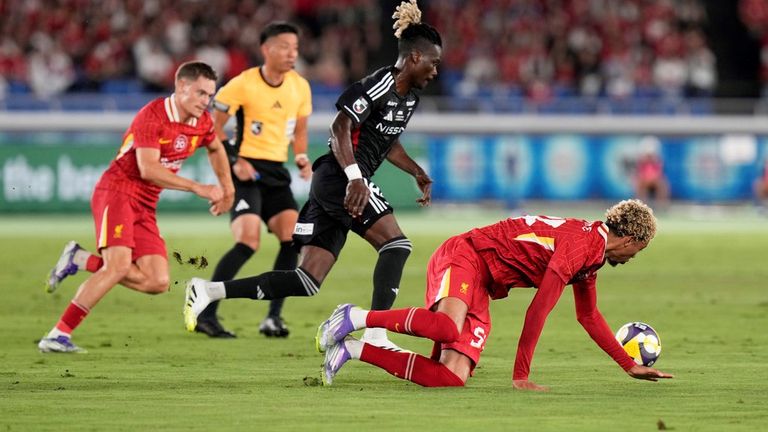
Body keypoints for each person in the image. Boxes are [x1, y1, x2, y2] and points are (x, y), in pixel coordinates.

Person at [183, 0, 441, 350]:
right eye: (433, 62)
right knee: (397, 245)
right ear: (414, 58)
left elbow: (387, 140)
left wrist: (417, 172)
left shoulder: (409, 98)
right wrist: (354, 177)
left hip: (340, 182)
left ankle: (209, 290)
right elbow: (340, 126)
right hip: (341, 177)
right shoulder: (381, 82)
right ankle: (376, 335)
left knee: (306, 280)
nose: (436, 71)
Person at [316, 199, 674, 389]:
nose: (632, 259)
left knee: (450, 378)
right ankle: (355, 317)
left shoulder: (591, 257)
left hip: (483, 283)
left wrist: (628, 365)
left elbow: (588, 316)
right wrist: (520, 375)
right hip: (467, 255)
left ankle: (353, 348)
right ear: (630, 240)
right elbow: (538, 311)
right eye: (637, 251)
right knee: (446, 329)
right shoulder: (581, 246)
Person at [39, 61, 234, 353]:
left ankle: (79, 259)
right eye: (201, 93)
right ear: (181, 86)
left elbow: (216, 148)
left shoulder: (202, 122)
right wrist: (199, 188)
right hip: (117, 192)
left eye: (210, 95)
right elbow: (148, 169)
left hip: (146, 203)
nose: (206, 101)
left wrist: (228, 188)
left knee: (157, 281)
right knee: (117, 267)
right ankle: (57, 334)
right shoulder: (152, 116)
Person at [193, 22, 313, 339]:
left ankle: (273, 317)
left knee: (292, 239)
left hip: (275, 172)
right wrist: (235, 160)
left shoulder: (300, 86)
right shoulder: (242, 84)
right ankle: (206, 312)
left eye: (296, 48)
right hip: (245, 171)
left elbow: (299, 132)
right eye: (285, 46)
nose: (292, 53)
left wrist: (301, 157)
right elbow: (213, 128)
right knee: (248, 241)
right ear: (267, 49)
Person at [634, 136, 669, 208]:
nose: (649, 156)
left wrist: (652, 179)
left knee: (663, 184)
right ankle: (640, 206)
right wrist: (646, 179)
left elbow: (659, 174)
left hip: (654, 180)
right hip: (644, 180)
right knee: (638, 183)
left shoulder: (657, 161)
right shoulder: (641, 162)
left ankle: (661, 206)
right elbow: (639, 174)